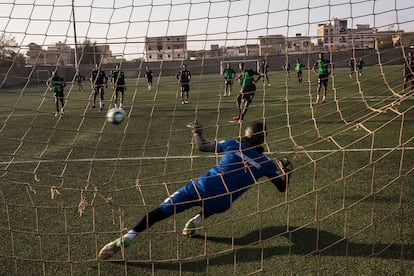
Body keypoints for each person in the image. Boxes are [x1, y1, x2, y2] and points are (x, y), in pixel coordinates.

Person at [98, 121, 293, 260]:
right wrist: (287, 172)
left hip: (199, 189)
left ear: (246, 135)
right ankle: (194, 222)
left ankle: (128, 237)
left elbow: (201, 146)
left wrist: (196, 131)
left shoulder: (232, 144)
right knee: (220, 197)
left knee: (158, 213)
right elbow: (282, 188)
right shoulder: (266, 164)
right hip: (222, 203)